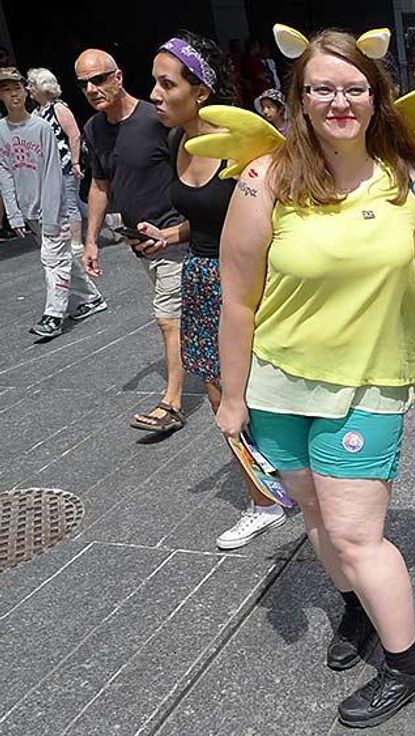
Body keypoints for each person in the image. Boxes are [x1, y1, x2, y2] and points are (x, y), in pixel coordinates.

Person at [213, 29, 415, 727]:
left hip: (369, 383)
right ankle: (358, 609)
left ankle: (409, 666)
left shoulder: (412, 176)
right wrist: (232, 396)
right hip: (278, 382)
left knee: (355, 534)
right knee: (315, 517)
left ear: (377, 95)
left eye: (354, 88)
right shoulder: (267, 177)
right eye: (323, 89)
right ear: (300, 99)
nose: (340, 102)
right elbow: (237, 296)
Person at [143, 32, 288, 549]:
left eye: (167, 84)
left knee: (267, 389)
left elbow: (269, 212)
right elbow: (205, 217)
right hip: (201, 279)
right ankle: (264, 499)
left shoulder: (245, 144)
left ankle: (292, 480)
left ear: (200, 91)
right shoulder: (175, 142)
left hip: (252, 281)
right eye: (154, 83)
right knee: (217, 392)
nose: (155, 94)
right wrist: (168, 236)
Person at [76, 48, 188, 433]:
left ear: (118, 77)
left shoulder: (155, 119)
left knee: (168, 319)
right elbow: (100, 185)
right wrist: (91, 241)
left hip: (174, 236)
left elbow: (190, 171)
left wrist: (186, 226)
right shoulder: (94, 129)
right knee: (190, 313)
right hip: (139, 243)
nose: (92, 89)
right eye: (84, 84)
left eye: (98, 79)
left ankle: (172, 403)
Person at [0, 67, 104, 339]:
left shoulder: (42, 127)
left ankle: (53, 316)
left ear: (26, 91)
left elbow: (52, 173)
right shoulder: (1, 131)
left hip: (52, 209)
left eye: (17, 88)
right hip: (28, 209)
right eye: (6, 90)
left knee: (52, 260)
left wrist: (50, 213)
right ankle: (91, 298)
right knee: (61, 257)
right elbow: (4, 172)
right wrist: (14, 213)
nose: (13, 94)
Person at [25, 68, 90, 252]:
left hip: (65, 165)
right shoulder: (36, 113)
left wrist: (75, 163)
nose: (28, 88)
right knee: (77, 205)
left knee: (69, 205)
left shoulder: (58, 108)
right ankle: (111, 220)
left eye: (32, 85)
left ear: (43, 86)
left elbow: (74, 135)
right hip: (48, 169)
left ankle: (76, 244)